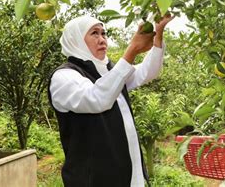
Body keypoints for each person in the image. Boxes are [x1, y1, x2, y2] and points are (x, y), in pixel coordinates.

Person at [48, 14, 173, 187]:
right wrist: (132, 50)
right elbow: (97, 98)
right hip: (92, 180)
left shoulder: (110, 71)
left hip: (127, 174)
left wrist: (158, 34)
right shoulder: (64, 77)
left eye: (103, 33)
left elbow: (146, 72)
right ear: (75, 39)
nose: (102, 39)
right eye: (94, 33)